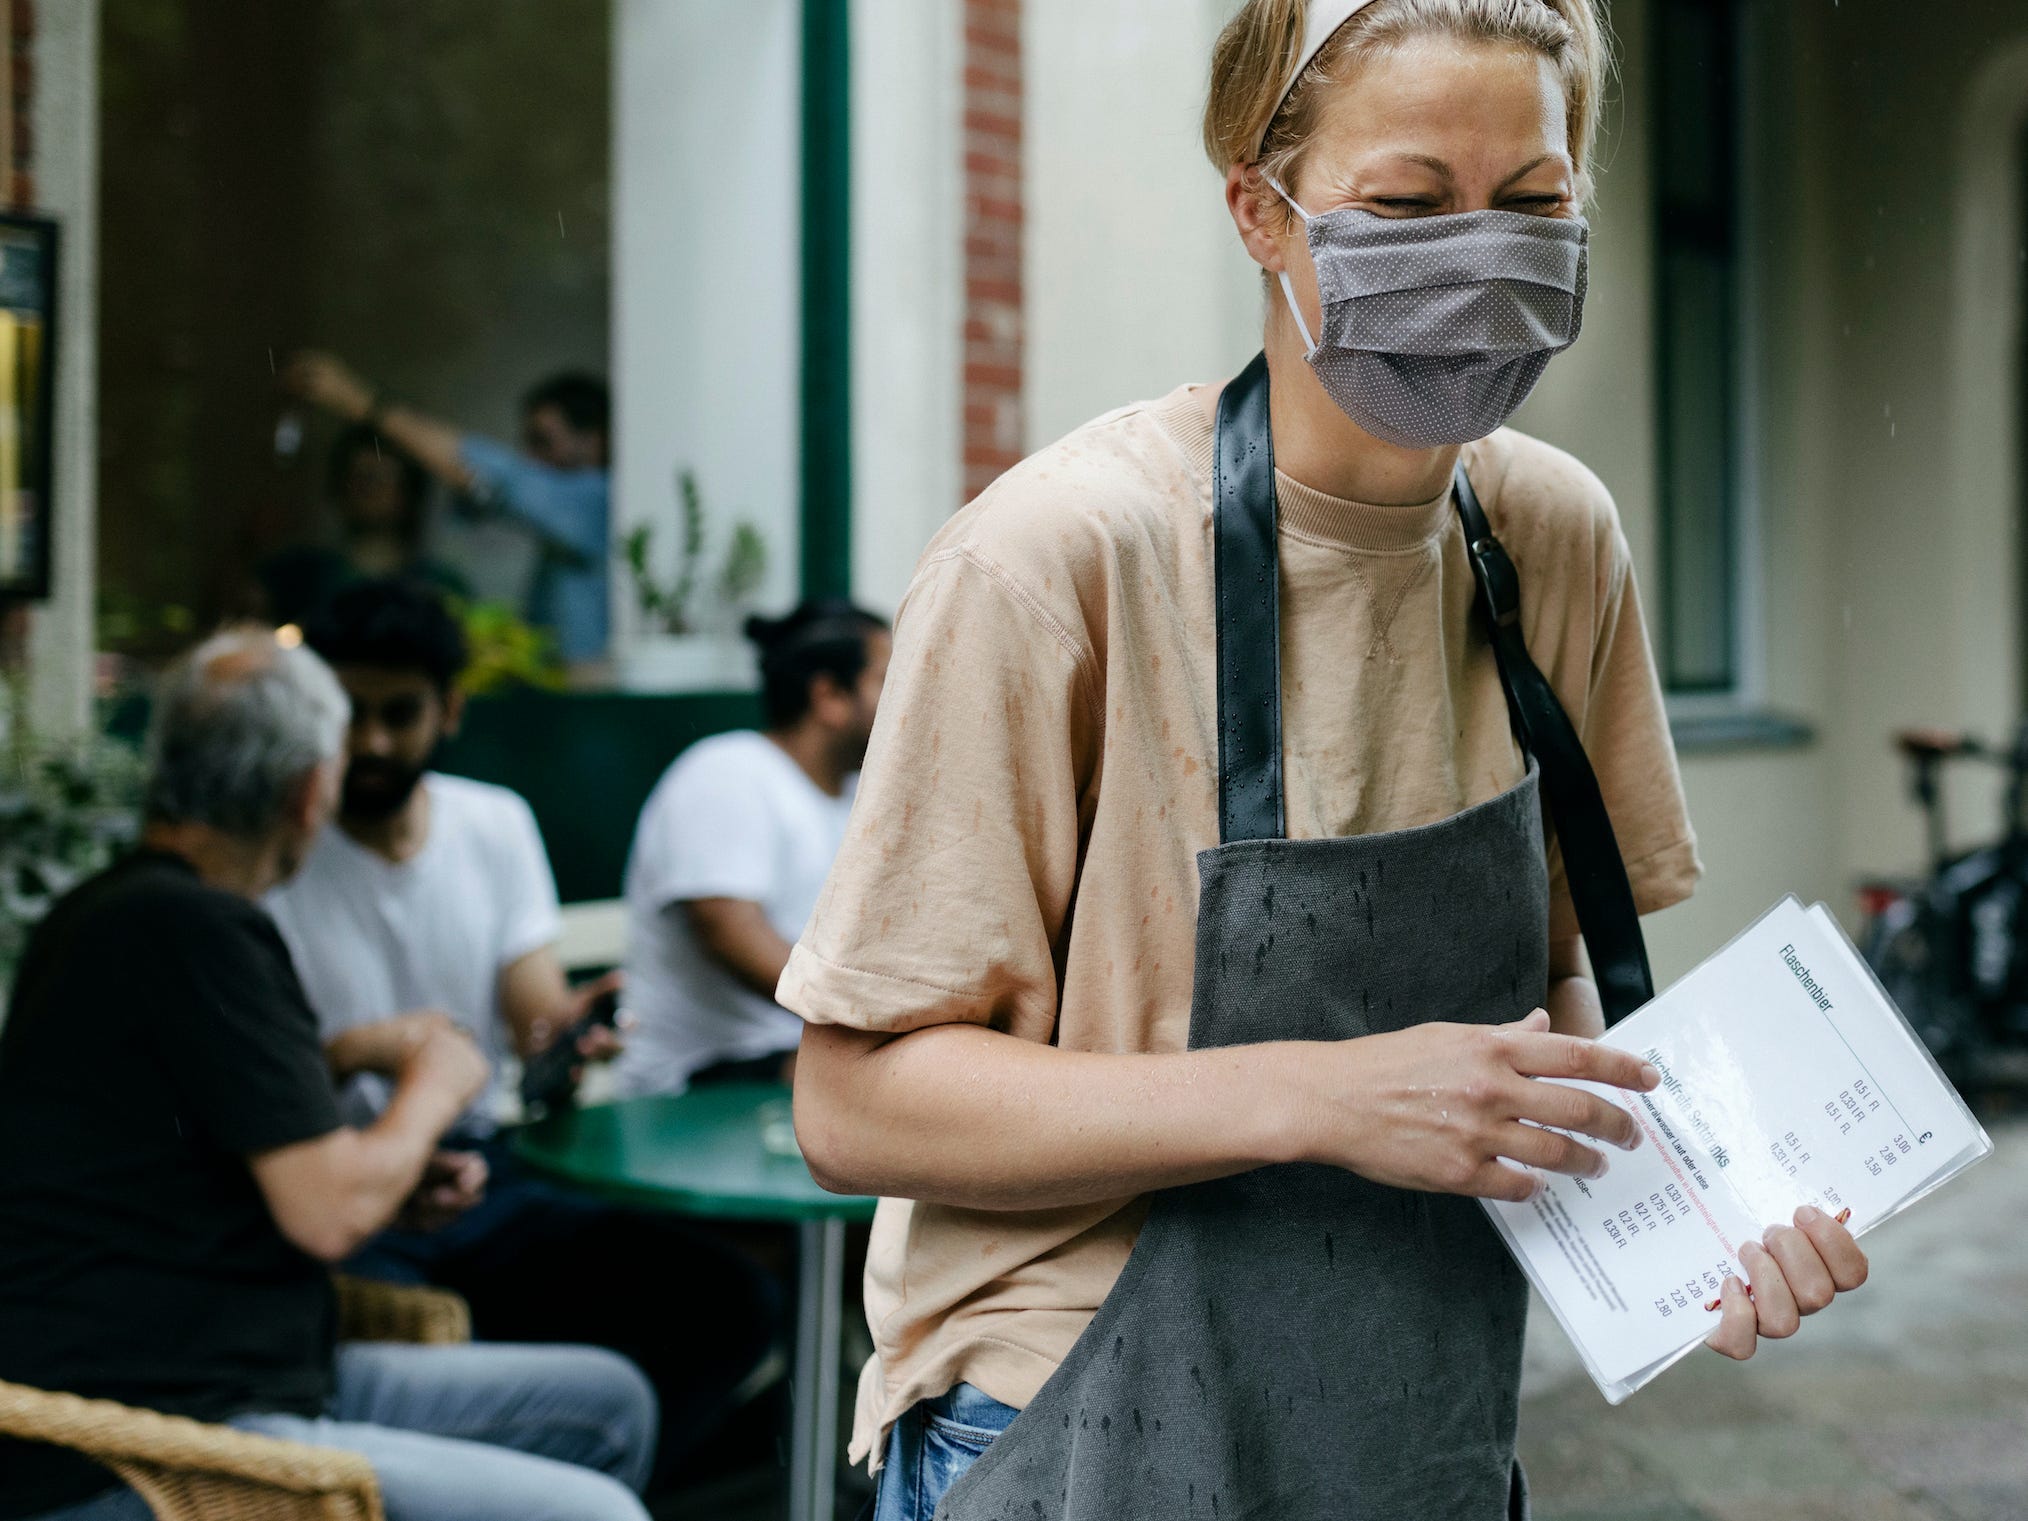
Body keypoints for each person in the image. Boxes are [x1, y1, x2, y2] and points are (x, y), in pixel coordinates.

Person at [782, 3, 1875, 1518]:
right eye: (1410, 205)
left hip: (1419, 1429)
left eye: (1535, 205)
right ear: (1260, 210)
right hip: (1070, 1430)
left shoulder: (1554, 539)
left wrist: (1698, 1223)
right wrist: (1327, 1097)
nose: (1480, 253)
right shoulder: (1055, 561)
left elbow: (1551, 998)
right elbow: (854, 1107)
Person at [0, 629, 656, 1521]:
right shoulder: (197, 930)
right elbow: (332, 1211)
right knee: (596, 1513)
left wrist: (392, 1162)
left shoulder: (114, 914)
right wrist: (437, 1080)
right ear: (310, 790)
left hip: (264, 1364)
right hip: (162, 1434)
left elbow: (230, 1151)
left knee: (610, 1403)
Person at [261, 578, 778, 1485]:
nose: (373, 742)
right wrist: (371, 1055)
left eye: (400, 713)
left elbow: (533, 1013)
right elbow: (260, 1084)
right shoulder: (277, 847)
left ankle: (608, 1488)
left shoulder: (492, 823)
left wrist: (568, 1036)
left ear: (450, 710)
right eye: (349, 715)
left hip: (489, 1170)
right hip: (348, 1192)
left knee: (729, 1298)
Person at [611, 600, 890, 1098]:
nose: (908, 699)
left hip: (799, 1060)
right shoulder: (728, 771)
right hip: (699, 1081)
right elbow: (726, 928)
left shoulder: (857, 799)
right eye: (888, 679)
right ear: (828, 696)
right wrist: (868, 1019)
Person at [282, 354, 610, 662]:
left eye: (543, 441)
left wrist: (359, 401)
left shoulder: (599, 501)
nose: (530, 461)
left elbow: (493, 476)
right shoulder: (308, 573)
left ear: (593, 441)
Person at [257, 422, 470, 630]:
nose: (369, 492)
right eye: (359, 478)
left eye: (381, 479)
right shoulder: (297, 573)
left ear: (409, 493)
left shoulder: (439, 587)